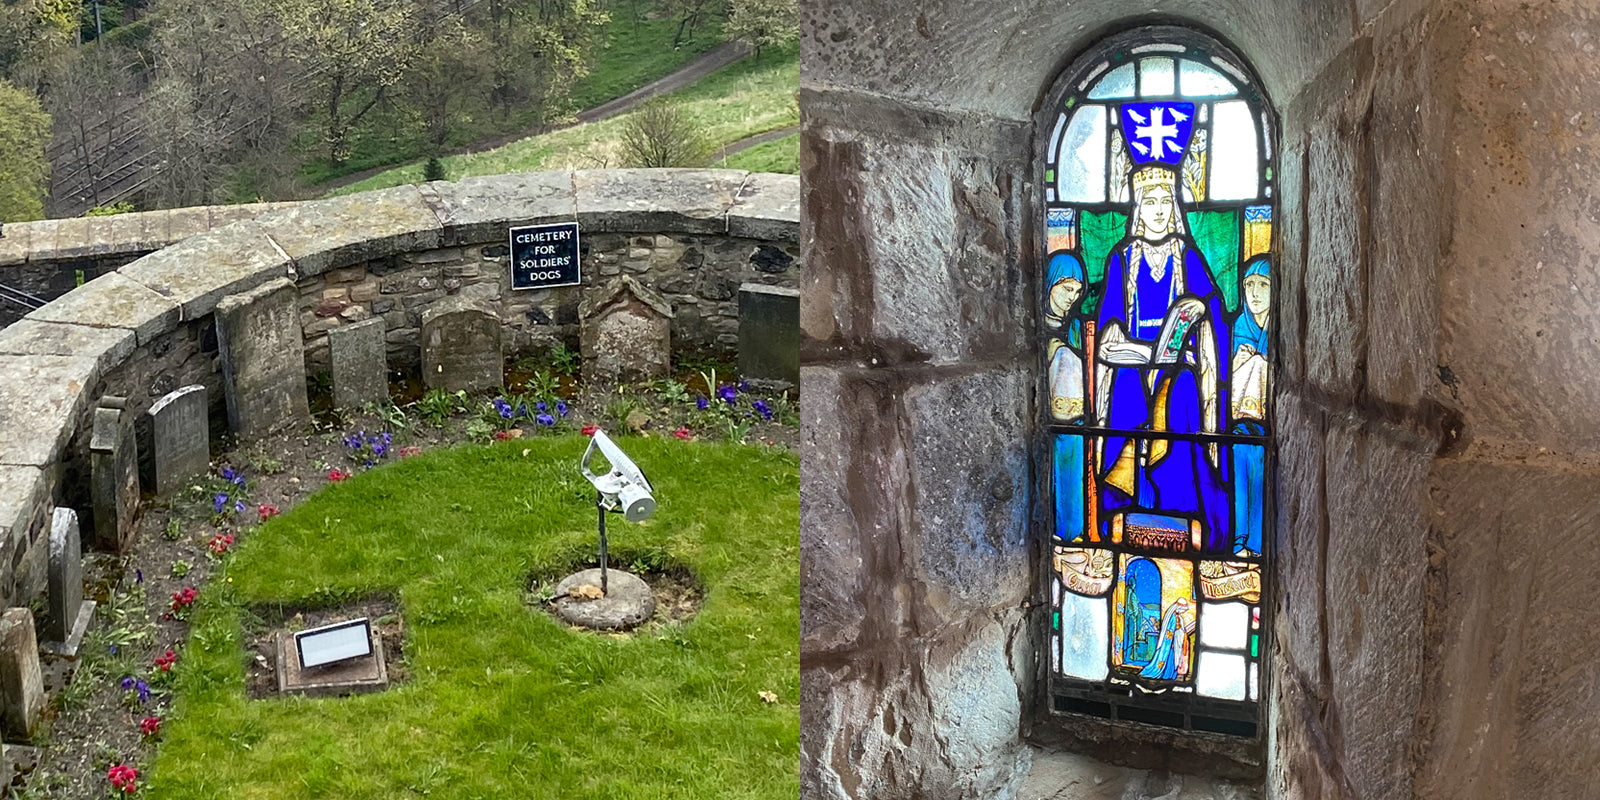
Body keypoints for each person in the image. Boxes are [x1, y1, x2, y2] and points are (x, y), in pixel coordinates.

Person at [1093, 159, 1229, 549]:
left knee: (1183, 387)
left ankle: (1179, 509)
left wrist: (1200, 313)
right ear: (1137, 208)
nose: (1158, 211)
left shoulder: (1187, 256)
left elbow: (1214, 311)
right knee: (1126, 389)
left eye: (1165, 203)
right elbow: (1108, 333)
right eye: (1149, 202)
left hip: (1178, 365)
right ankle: (1126, 513)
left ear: (1174, 209)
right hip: (1133, 364)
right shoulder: (1121, 260)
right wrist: (1143, 350)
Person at [1229, 258, 1270, 556]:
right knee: (1239, 482)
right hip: (1238, 426)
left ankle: (1256, 546)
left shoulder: (1278, 330)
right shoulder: (1234, 330)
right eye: (1249, 285)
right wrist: (1235, 364)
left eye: (1264, 285)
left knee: (1262, 481)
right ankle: (1238, 543)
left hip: (1268, 428)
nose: (1254, 293)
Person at [1138, 596, 1197, 681]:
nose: (1183, 611)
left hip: (1175, 643)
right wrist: (1171, 643)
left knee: (1173, 661)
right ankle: (1165, 675)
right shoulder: (1172, 617)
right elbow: (1169, 632)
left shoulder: (1179, 618)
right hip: (1169, 644)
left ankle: (1171, 675)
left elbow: (1180, 630)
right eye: (1182, 609)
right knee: (1166, 659)